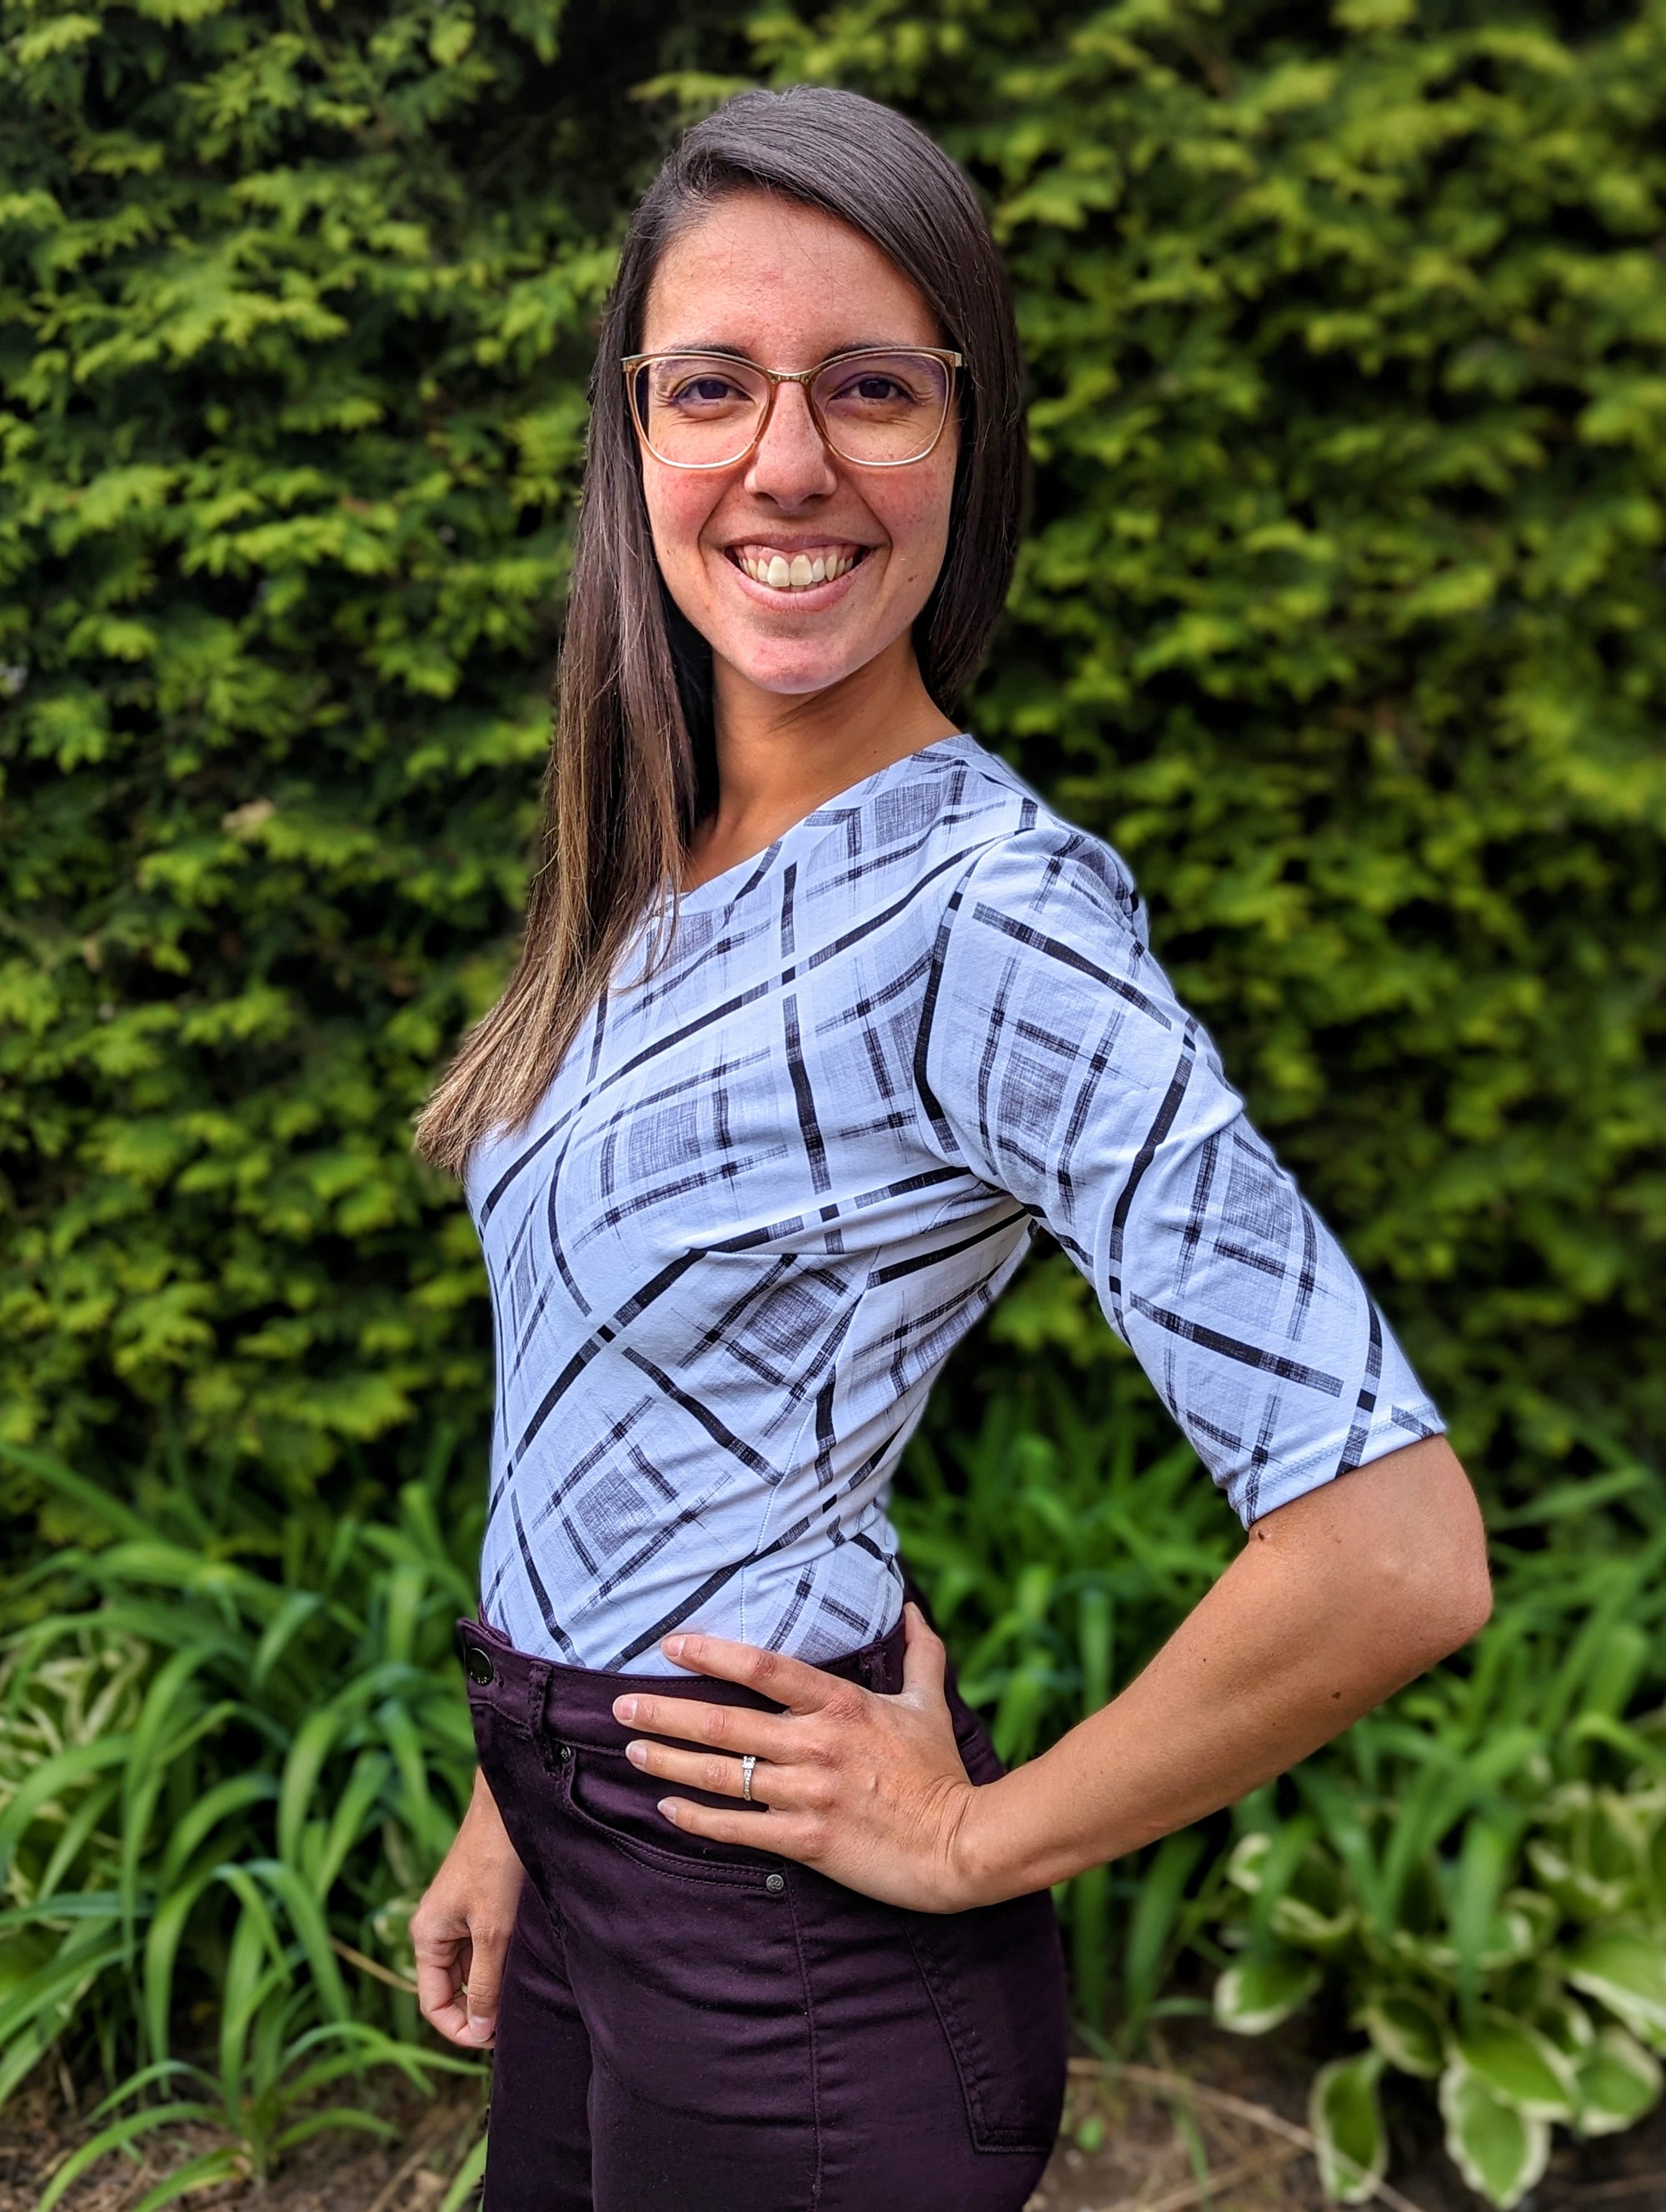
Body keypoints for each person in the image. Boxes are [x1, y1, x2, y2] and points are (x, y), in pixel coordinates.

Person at [408, 83, 1492, 2212]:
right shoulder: (663, 845)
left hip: (792, 1984)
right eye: (712, 384)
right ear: (634, 432)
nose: (784, 460)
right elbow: (611, 1388)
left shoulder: (991, 917)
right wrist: (510, 1799)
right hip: (593, 1860)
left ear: (962, 438)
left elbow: (1395, 1545)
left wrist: (975, 1831)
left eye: (870, 387)